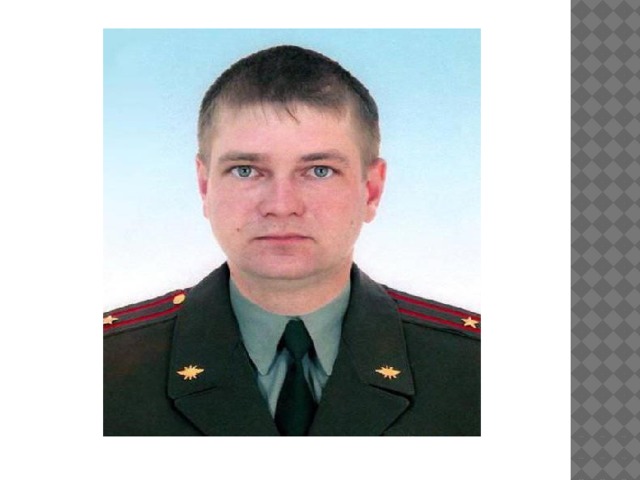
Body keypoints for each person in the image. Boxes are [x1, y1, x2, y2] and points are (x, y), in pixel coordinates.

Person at [103, 45, 480, 436]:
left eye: (319, 170)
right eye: (246, 170)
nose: (281, 206)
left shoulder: (473, 367)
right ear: (205, 186)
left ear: (371, 190)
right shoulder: (107, 366)